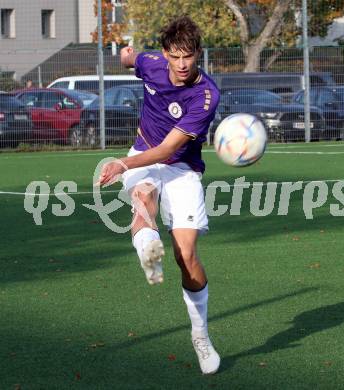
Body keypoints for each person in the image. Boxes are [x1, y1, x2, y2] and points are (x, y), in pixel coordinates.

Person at [97, 16, 220, 374]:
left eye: (189, 56)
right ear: (165, 53)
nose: (182, 65)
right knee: (144, 197)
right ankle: (148, 249)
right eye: (176, 56)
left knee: (186, 255)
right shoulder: (151, 64)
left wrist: (122, 162)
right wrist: (126, 54)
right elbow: (130, 60)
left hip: (181, 167)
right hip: (143, 155)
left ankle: (200, 335)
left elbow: (169, 150)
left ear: (198, 54)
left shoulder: (206, 94)